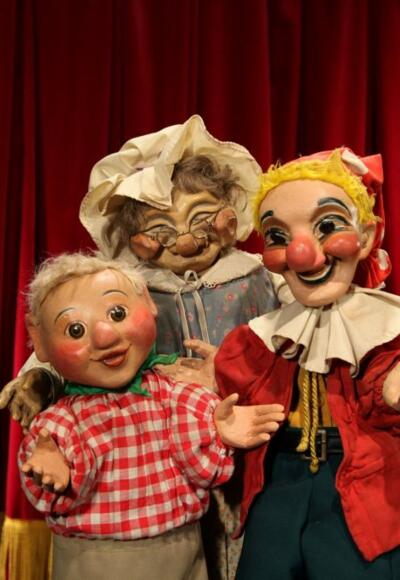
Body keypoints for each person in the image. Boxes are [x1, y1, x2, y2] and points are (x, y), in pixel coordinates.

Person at [2, 115, 283, 580]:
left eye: (201, 218)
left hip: (254, 439)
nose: (187, 241)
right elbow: (71, 335)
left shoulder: (261, 274)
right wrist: (40, 377)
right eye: (162, 231)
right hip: (163, 449)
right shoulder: (129, 288)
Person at [18, 252, 285, 580]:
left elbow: (200, 462)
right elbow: (53, 471)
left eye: (117, 313)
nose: (105, 336)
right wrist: (52, 468)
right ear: (39, 339)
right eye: (75, 330)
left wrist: (219, 427)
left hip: (184, 549)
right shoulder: (64, 420)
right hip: (98, 561)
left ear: (147, 301)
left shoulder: (172, 394)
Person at [211, 148, 400, 578]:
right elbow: (232, 393)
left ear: (366, 236)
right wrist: (215, 413)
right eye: (278, 235)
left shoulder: (388, 326)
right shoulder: (260, 338)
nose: (300, 253)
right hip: (279, 478)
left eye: (327, 226)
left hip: (362, 485)